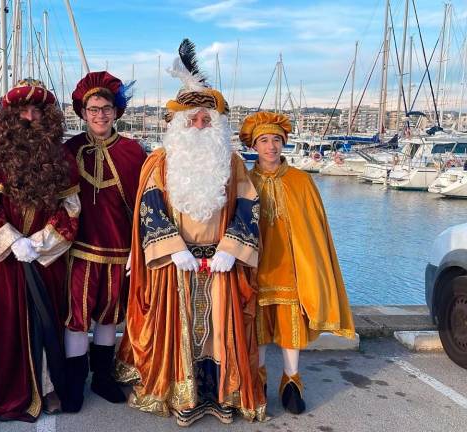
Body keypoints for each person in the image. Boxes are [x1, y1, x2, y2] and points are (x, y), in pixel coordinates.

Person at [115, 39, 266, 426]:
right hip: (176, 262)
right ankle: (183, 396)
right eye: (192, 119)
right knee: (179, 332)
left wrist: (231, 249)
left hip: (221, 260)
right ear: (179, 124)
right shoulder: (159, 162)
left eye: (206, 120)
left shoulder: (232, 162)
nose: (199, 125)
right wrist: (173, 247)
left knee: (220, 332)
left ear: (216, 125)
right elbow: (149, 206)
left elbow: (250, 205)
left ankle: (221, 397)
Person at [0, 79, 81, 422]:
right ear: (10, 116)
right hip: (7, 257)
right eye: (23, 111)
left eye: (37, 111)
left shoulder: (61, 156)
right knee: (6, 321)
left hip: (45, 256)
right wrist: (13, 241)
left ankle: (47, 388)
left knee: (47, 320)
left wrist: (40, 242)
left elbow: (72, 207)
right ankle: (10, 389)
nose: (30, 117)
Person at [241, 111, 355, 415]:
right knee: (259, 329)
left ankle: (291, 382)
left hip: (291, 268)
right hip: (256, 267)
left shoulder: (301, 181)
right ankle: (258, 381)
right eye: (264, 140)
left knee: (291, 328)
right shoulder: (244, 181)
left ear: (283, 143)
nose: (270, 146)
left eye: (276, 140)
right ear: (254, 145)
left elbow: (314, 231)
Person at [63, 71, 146, 410]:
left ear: (116, 111)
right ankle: (72, 383)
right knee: (76, 318)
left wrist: (139, 250)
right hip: (78, 252)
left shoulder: (132, 152)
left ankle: (102, 377)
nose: (99, 114)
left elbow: (146, 205)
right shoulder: (69, 150)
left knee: (109, 317)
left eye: (106, 108)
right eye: (93, 108)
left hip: (119, 252)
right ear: (83, 113)